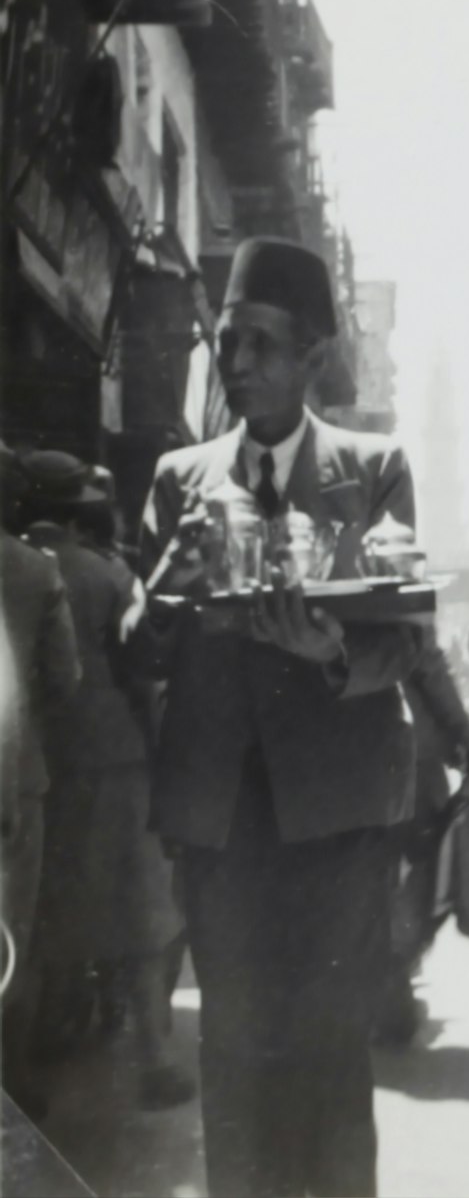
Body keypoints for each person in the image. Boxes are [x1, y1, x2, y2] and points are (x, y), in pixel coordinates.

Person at [140, 237, 423, 1198]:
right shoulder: (180, 481)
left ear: (311, 358)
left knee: (332, 1056)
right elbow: (133, 656)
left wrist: (331, 653)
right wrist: (166, 580)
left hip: (338, 822)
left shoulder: (373, 470)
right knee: (234, 1054)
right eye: (227, 344)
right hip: (222, 826)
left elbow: (406, 636)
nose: (240, 366)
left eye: (261, 344)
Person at [20, 451, 193, 1110]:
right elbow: (146, 680)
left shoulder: (23, 564)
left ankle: (26, 1063)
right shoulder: (110, 574)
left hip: (40, 766)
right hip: (117, 763)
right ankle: (154, 1059)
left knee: (41, 915)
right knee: (142, 915)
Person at [0, 444, 81, 1120]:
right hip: (14, 780)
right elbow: (66, 680)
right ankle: (12, 1079)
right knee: (12, 933)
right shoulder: (34, 571)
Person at [375, 635, 469, 1046]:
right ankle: (395, 970)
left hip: (342, 765)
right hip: (411, 757)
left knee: (368, 876)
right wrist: (466, 737)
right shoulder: (396, 601)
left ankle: (385, 975)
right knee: (424, 868)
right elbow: (431, 670)